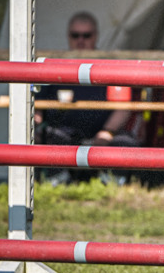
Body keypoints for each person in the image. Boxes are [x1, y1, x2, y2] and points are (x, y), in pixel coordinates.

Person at [35, 12, 141, 183]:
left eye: (86, 35)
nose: (80, 40)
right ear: (68, 36)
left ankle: (110, 188)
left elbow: (123, 107)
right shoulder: (53, 65)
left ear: (96, 36)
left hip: (104, 133)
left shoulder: (111, 65)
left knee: (125, 143)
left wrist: (106, 132)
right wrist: (36, 127)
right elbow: (37, 106)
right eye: (75, 35)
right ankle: (58, 186)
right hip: (62, 133)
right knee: (45, 139)